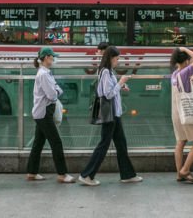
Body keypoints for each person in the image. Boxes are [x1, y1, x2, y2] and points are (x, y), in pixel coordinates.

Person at [78, 46, 142, 186]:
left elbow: (111, 89)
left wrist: (120, 86)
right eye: (117, 58)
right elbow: (108, 94)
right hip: (110, 114)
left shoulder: (108, 72)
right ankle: (87, 175)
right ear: (111, 58)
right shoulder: (106, 72)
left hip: (115, 114)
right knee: (104, 144)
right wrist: (121, 82)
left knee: (121, 144)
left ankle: (128, 174)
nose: (118, 61)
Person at [26, 47, 75, 184]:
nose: (54, 59)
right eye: (52, 56)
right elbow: (53, 94)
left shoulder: (45, 73)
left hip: (42, 112)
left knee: (38, 143)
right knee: (56, 142)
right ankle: (62, 174)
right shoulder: (43, 74)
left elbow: (54, 90)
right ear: (46, 57)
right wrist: (58, 91)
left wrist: (56, 90)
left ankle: (32, 172)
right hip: (44, 113)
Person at [170, 47, 193, 184]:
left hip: (176, 113)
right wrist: (184, 48)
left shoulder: (175, 74)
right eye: (188, 59)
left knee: (181, 142)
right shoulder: (186, 71)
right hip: (187, 112)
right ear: (185, 60)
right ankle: (185, 170)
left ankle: (179, 174)